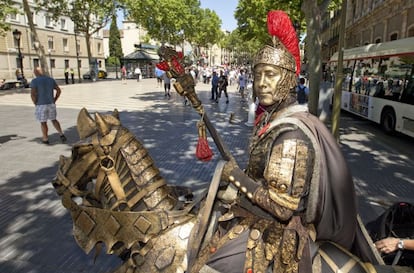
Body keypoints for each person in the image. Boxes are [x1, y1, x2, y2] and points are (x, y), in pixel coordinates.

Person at [194, 10, 381, 273]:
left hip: (275, 232)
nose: (261, 83)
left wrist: (235, 176)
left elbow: (281, 208)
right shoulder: (273, 119)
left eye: (270, 75)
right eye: (257, 75)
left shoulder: (290, 135)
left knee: (209, 267)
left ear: (289, 78)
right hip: (258, 214)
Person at [30, 67, 66, 145]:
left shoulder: (34, 81)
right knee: (54, 120)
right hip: (51, 103)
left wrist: (35, 102)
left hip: (41, 104)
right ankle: (61, 134)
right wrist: (55, 99)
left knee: (43, 122)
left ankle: (45, 138)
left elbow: (33, 93)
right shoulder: (50, 79)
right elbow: (58, 90)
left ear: (36, 73)